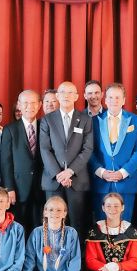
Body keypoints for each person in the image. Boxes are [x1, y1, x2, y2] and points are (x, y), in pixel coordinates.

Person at [39, 81, 94, 236]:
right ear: (57, 96)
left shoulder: (85, 119)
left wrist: (69, 171)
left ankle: (77, 258)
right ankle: (50, 257)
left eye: (70, 92)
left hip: (77, 179)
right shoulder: (47, 119)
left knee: (77, 223)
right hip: (53, 180)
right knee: (52, 222)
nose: (66, 96)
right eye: (63, 92)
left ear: (76, 96)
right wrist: (59, 174)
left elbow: (87, 148)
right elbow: (45, 149)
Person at [89, 83, 137, 221]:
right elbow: (88, 150)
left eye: (117, 97)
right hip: (101, 182)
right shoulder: (93, 121)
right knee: (101, 226)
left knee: (124, 224)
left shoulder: (136, 120)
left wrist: (123, 172)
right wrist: (101, 172)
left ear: (124, 100)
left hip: (126, 183)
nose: (114, 100)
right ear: (105, 100)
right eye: (111, 97)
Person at [0, 90, 44, 232]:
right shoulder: (10, 129)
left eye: (33, 103)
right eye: (25, 103)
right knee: (19, 227)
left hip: (41, 187)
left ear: (39, 105)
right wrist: (9, 188)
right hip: (18, 189)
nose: (29, 106)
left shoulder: (45, 127)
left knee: (39, 227)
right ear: (19, 105)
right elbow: (5, 162)